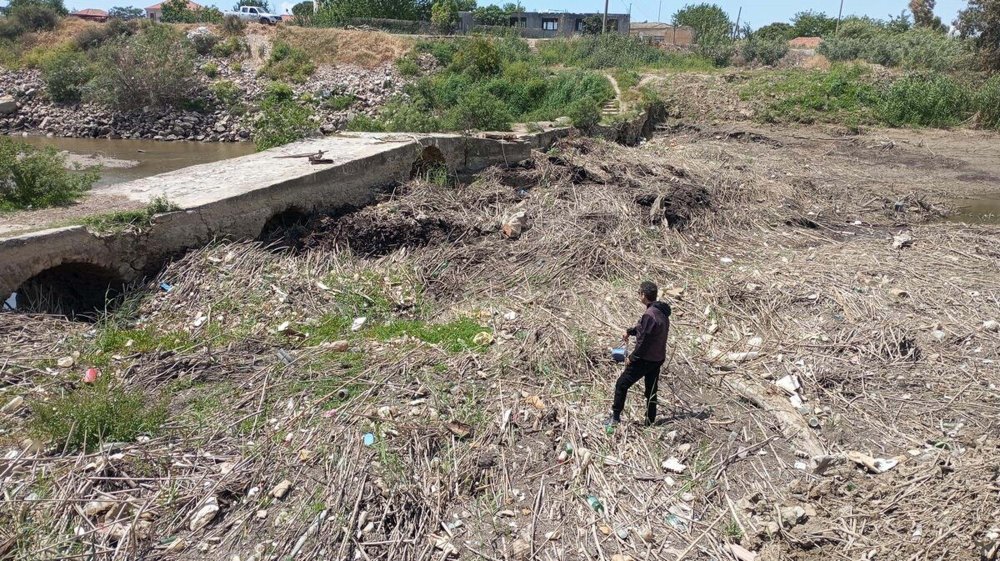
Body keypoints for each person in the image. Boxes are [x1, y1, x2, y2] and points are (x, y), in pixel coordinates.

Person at [606, 281, 671, 427]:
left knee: (621, 384)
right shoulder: (661, 311)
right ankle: (650, 421)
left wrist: (632, 358)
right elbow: (645, 330)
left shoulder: (649, 315)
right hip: (658, 358)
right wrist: (630, 331)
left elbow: (644, 342)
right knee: (651, 390)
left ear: (643, 295)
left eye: (639, 293)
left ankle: (615, 418)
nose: (638, 296)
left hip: (645, 359)